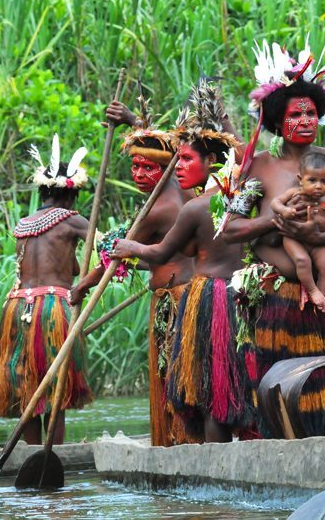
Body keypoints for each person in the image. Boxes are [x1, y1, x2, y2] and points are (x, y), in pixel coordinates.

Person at [221, 41, 325, 437]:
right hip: (281, 300)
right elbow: (231, 228)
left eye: (310, 113)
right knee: (285, 386)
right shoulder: (260, 168)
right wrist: (275, 222)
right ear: (276, 121)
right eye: (295, 114)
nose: (305, 120)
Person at [110, 79, 252, 443]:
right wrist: (134, 123)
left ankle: (208, 463)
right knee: (227, 386)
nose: (178, 165)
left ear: (210, 162)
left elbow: (158, 252)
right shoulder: (242, 198)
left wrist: (130, 247)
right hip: (240, 296)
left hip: (208, 299)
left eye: (187, 159)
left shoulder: (196, 205)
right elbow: (241, 156)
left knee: (204, 392)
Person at [70, 94, 196, 447]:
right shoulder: (183, 186)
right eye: (135, 167)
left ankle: (179, 443)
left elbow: (117, 255)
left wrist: (84, 286)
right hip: (187, 293)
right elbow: (152, 256)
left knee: (173, 374)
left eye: (148, 168)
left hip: (175, 304)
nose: (140, 174)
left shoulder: (158, 208)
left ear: (164, 168)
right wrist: (132, 121)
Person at [0, 135, 94, 445]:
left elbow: (59, 262)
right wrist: (88, 281)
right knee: (55, 388)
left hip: (17, 307)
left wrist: (76, 269)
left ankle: (31, 453)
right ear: (69, 196)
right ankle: (50, 456)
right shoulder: (72, 220)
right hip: (51, 307)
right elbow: (111, 249)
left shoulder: (25, 224)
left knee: (27, 387)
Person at [270, 151, 325, 312]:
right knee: (302, 261)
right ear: (300, 180)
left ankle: (321, 296)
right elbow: (275, 202)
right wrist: (283, 210)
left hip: (317, 241)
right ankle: (312, 290)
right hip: (294, 239)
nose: (319, 186)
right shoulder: (294, 193)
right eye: (312, 180)